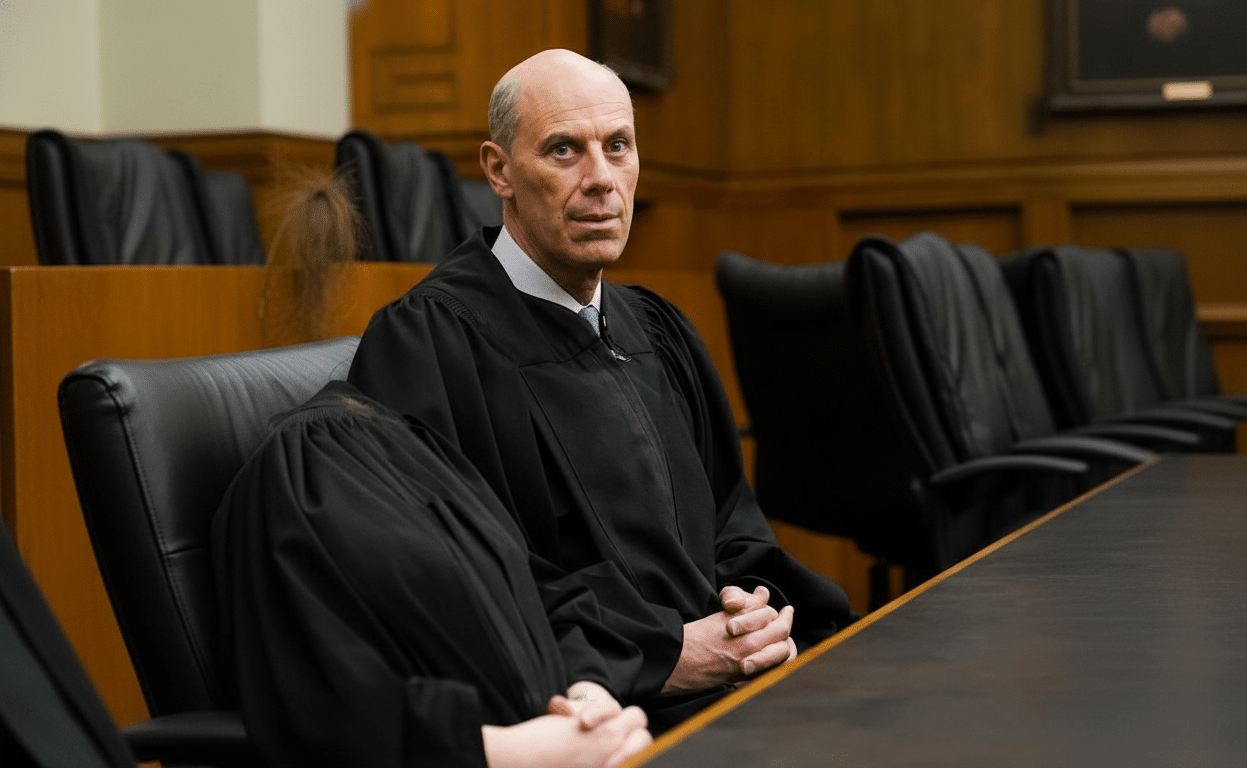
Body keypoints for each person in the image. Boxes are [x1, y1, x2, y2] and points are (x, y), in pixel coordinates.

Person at [345, 48, 856, 729]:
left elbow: (733, 521)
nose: (601, 179)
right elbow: (454, 582)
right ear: (498, 170)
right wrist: (658, 655)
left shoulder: (657, 328)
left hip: (727, 681)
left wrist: (752, 612)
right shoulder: (429, 345)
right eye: (564, 150)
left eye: (618, 146)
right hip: (594, 710)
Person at [213, 381, 652, 768]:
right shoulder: (302, 480)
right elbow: (320, 700)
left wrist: (589, 695)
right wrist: (520, 752)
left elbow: (542, 594)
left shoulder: (420, 453)